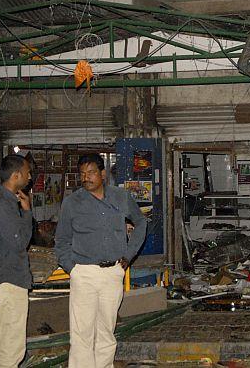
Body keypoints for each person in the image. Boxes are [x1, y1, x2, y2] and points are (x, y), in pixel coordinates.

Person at [55, 153, 146, 368]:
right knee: (82, 333)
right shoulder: (72, 203)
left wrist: (128, 255)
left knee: (106, 330)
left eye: (91, 172)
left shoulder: (120, 197)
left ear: (103, 174)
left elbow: (141, 222)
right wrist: (72, 269)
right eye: (82, 174)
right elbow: (62, 241)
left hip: (113, 273)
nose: (86, 177)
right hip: (83, 273)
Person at [0, 155, 32, 368]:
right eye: (27, 172)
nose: (30, 176)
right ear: (16, 175)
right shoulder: (2, 204)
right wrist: (27, 213)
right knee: (12, 349)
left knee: (1, 342)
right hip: (9, 280)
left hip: (2, 279)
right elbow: (19, 242)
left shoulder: (2, 201)